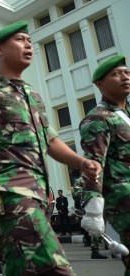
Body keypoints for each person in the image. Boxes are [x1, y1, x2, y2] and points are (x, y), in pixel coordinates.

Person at [0, 20, 102, 276]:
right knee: (56, 266)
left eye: (30, 41)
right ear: (0, 49)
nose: (28, 45)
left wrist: (81, 163)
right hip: (8, 191)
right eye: (21, 39)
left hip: (38, 195)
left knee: (22, 268)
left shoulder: (32, 95)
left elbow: (52, 142)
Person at [79, 54, 130, 275]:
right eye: (116, 74)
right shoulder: (98, 119)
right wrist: (93, 211)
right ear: (100, 84)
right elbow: (93, 166)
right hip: (124, 200)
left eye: (127, 72)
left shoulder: (126, 115)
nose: (125, 77)